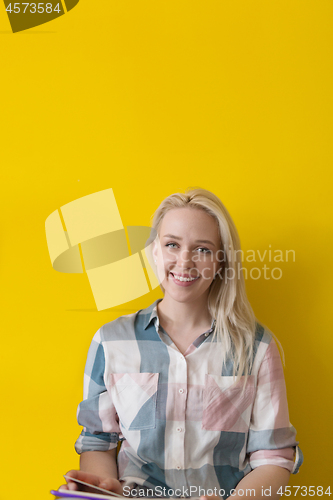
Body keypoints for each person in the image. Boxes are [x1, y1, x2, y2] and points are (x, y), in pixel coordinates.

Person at [60, 187, 303, 499]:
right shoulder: (111, 341)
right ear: (155, 253)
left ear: (220, 261)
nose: (184, 261)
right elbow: (98, 442)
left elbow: (273, 458)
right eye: (172, 244)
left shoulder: (257, 347)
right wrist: (105, 490)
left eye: (202, 249)